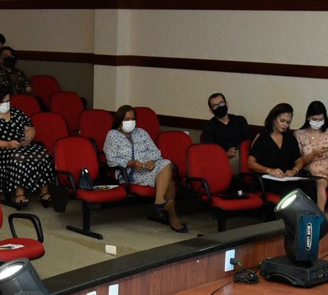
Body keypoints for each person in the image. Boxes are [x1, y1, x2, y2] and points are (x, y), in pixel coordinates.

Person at [103, 104, 185, 232]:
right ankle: (173, 217)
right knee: (170, 183)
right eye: (126, 119)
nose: (130, 122)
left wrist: (151, 162)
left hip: (147, 169)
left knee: (167, 162)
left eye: (132, 118)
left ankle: (159, 202)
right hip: (129, 174)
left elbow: (156, 152)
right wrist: (131, 163)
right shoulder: (112, 135)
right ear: (119, 120)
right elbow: (111, 159)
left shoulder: (141, 132)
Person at [0, 90, 54, 208]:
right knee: (18, 156)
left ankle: (44, 192)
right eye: (2, 102)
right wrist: (7, 144)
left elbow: (30, 128)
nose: (6, 104)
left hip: (21, 145)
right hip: (1, 150)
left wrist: (28, 137)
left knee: (43, 154)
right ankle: (19, 195)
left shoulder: (17, 112)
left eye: (8, 101)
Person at [248, 103, 318, 196]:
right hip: (269, 179)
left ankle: (307, 211)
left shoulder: (290, 138)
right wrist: (270, 170)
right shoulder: (263, 137)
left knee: (310, 185)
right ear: (273, 118)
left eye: (288, 122)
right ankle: (294, 211)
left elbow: (299, 160)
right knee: (292, 189)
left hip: (286, 178)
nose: (285, 125)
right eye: (282, 121)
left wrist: (294, 170)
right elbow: (250, 163)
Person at [200, 92, 251, 184]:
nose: (219, 107)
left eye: (221, 103)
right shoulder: (209, 128)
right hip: (223, 161)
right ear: (211, 110)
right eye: (215, 106)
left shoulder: (240, 120)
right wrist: (226, 154)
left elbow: (249, 142)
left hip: (245, 157)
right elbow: (209, 153)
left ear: (227, 104)